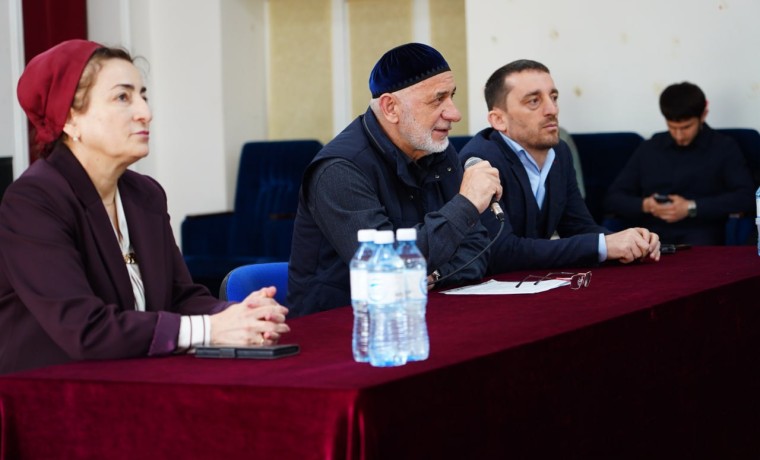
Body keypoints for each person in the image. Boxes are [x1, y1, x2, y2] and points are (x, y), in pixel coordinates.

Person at [0, 40, 290, 375]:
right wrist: (211, 329)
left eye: (143, 95)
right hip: (50, 390)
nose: (145, 113)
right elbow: (84, 330)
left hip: (136, 376)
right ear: (69, 119)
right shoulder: (33, 201)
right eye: (122, 97)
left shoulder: (145, 194)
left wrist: (237, 315)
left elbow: (181, 298)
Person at [288, 43, 502, 316]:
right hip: (342, 323)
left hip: (419, 312)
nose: (454, 113)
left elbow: (478, 247)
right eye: (438, 99)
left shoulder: (437, 149)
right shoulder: (339, 170)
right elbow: (384, 268)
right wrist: (466, 204)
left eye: (452, 96)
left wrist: (436, 276)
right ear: (390, 107)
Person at [459, 59, 660, 274]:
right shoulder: (480, 161)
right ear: (499, 120)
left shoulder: (560, 152)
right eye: (534, 101)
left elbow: (578, 227)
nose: (552, 109)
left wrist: (629, 242)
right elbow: (501, 252)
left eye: (553, 97)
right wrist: (603, 246)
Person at [604, 82, 755, 245]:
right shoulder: (650, 147)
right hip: (652, 234)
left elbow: (746, 197)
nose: (679, 135)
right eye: (672, 127)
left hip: (702, 233)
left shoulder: (724, 147)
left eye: (686, 127)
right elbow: (613, 198)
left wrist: (691, 207)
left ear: (703, 115)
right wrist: (646, 205)